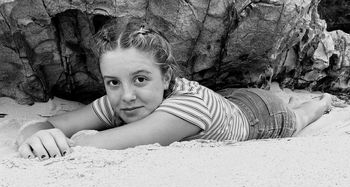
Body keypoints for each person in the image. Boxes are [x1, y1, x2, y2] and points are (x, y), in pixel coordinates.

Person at [16, 19, 334, 160]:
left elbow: (99, 144)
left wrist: (77, 138)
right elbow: (41, 126)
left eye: (140, 79)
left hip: (259, 114)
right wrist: (37, 134)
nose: (125, 96)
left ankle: (321, 102)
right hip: (221, 105)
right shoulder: (122, 100)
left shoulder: (185, 110)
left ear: (166, 78)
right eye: (113, 82)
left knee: (299, 117)